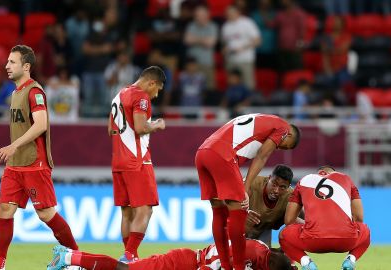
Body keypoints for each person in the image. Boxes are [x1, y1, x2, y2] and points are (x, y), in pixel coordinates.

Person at [0, 45, 78, 270]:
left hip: (35, 163)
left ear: (26, 67)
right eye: (7, 62)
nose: (7, 66)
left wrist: (14, 145)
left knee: (46, 214)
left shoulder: (34, 91)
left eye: (12, 62)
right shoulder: (14, 93)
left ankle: (75, 258)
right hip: (15, 166)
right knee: (4, 209)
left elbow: (41, 123)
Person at [195, 113, 301, 270]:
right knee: (238, 214)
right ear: (289, 134)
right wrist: (244, 188)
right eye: (285, 145)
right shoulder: (283, 128)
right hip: (223, 154)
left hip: (203, 152)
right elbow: (261, 157)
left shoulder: (263, 119)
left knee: (219, 212)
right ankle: (238, 267)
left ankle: (225, 265)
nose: (279, 147)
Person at [108, 66, 167, 263]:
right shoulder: (141, 98)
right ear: (151, 82)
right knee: (145, 209)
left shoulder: (120, 94)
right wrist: (157, 125)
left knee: (127, 211)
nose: (156, 94)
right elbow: (141, 128)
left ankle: (129, 256)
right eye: (157, 89)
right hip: (137, 160)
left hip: (118, 161)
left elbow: (111, 130)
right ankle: (130, 255)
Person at [279, 166, 371, 270]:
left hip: (313, 241)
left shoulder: (305, 180)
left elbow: (288, 220)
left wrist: (308, 225)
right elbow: (359, 218)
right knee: (365, 230)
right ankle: (350, 260)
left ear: (320, 173)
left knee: (283, 235)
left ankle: (306, 263)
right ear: (332, 173)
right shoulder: (346, 179)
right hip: (347, 240)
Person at [47, 238, 293, 270]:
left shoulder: (263, 254)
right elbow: (212, 264)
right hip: (182, 262)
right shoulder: (249, 252)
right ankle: (68, 257)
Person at [246, 165, 302, 247]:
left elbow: (299, 217)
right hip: (240, 228)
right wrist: (243, 213)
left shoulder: (291, 196)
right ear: (269, 178)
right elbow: (229, 202)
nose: (276, 190)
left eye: (282, 187)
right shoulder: (252, 183)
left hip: (264, 230)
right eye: (274, 184)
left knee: (265, 257)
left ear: (288, 187)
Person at [221, 5, 261, 90]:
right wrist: (225, 50)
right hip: (230, 61)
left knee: (248, 86)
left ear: (237, 13)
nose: (229, 15)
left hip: (245, 60)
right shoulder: (225, 27)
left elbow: (258, 41)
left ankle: (248, 103)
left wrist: (242, 48)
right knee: (232, 87)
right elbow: (225, 44)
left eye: (231, 13)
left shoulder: (247, 23)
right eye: (227, 14)